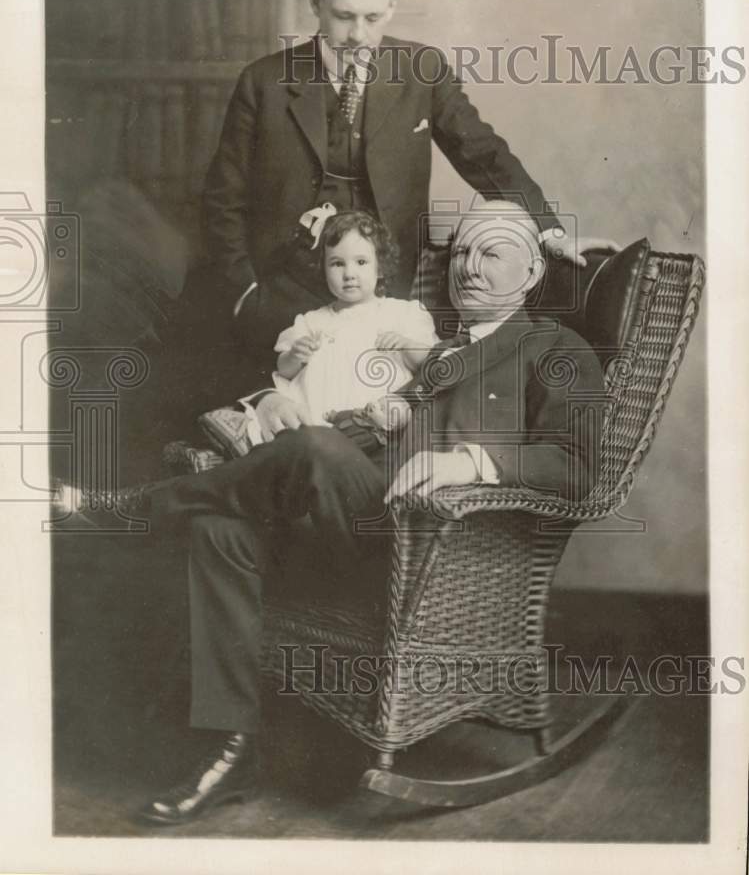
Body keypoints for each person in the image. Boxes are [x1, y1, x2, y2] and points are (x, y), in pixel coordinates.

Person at [127, 202, 606, 824]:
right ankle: (231, 747)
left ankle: (137, 509)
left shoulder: (555, 348)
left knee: (313, 448)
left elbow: (580, 466)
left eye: (490, 252)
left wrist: (471, 463)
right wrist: (270, 399)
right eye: (461, 252)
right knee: (221, 530)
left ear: (534, 269)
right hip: (357, 524)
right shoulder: (432, 354)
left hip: (437, 558)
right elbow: (352, 428)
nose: (468, 267)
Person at [198, 0, 618, 391]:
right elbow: (223, 201)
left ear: (393, 5)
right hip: (281, 296)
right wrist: (246, 294)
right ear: (316, 0)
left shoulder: (423, 71)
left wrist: (549, 229)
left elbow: (484, 155)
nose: (358, 35)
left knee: (374, 410)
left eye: (373, 17)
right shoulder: (263, 82)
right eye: (343, 16)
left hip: (384, 298)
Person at [272, 210, 438, 426]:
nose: (349, 273)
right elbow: (284, 371)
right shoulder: (312, 321)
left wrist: (406, 345)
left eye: (361, 262)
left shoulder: (402, 314)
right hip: (316, 419)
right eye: (337, 263)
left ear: (380, 267)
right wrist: (295, 356)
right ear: (323, 269)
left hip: (375, 418)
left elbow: (430, 364)